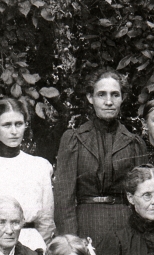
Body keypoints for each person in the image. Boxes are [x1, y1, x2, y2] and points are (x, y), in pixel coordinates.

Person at [54, 69, 147, 241]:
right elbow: (63, 198)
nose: (109, 101)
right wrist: (71, 241)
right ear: (91, 98)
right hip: (86, 225)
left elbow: (142, 194)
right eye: (101, 95)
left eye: (115, 95)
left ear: (122, 98)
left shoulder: (134, 143)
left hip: (126, 227)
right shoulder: (73, 139)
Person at [0, 98, 55, 253]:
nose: (14, 131)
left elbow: (46, 220)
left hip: (32, 244)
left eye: (18, 124)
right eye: (7, 125)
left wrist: (41, 251)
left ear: (25, 125)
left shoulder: (39, 166)